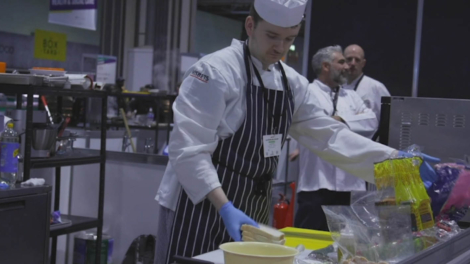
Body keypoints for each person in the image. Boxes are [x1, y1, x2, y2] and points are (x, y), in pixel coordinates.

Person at [154, 1, 438, 263]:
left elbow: (328, 135)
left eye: (289, 39)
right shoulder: (215, 71)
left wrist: (393, 161)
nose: (280, 48)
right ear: (250, 26)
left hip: (252, 205)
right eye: (272, 36)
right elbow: (188, 150)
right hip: (200, 203)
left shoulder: (290, 82)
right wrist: (225, 207)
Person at [290, 46, 378, 231]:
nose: (347, 66)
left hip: (349, 184)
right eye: (341, 62)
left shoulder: (351, 96)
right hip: (317, 182)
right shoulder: (307, 93)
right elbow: (315, 127)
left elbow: (371, 121)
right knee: (309, 238)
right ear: (325, 66)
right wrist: (351, 123)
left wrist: (341, 119)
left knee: (345, 245)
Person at [342, 44, 391, 133]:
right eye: (349, 59)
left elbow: (390, 119)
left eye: (357, 60)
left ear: (363, 63)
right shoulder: (338, 87)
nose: (353, 63)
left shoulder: (376, 87)